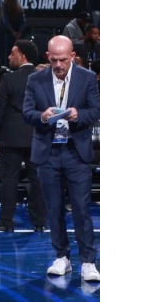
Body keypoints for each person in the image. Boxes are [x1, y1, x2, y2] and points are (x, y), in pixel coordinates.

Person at [22, 36, 100, 281]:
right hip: (48, 152)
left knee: (81, 208)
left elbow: (96, 110)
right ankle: (61, 257)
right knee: (54, 208)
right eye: (54, 59)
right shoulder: (35, 79)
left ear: (73, 56)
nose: (58, 64)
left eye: (63, 59)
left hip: (76, 152)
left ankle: (88, 261)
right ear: (48, 56)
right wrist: (43, 117)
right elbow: (27, 112)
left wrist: (78, 114)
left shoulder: (87, 78)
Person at [0, 40, 47, 232]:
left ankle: (7, 221)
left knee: (9, 179)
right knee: (37, 179)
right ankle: (39, 222)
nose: (9, 57)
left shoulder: (9, 78)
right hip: (36, 136)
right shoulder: (44, 78)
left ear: (22, 56)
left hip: (10, 137)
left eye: (13, 53)